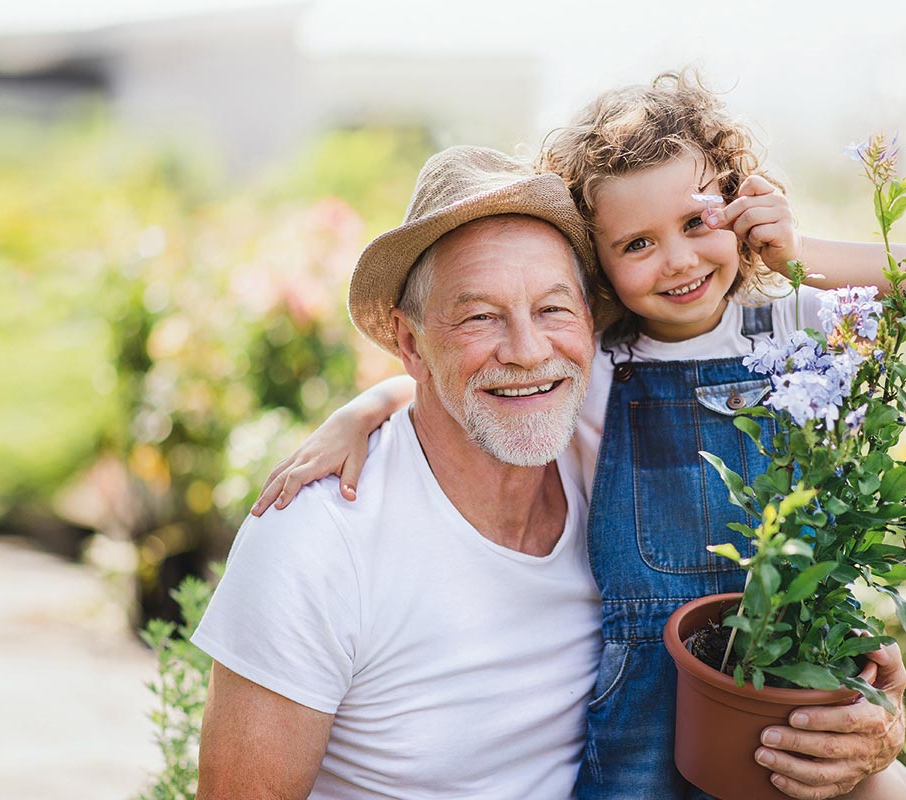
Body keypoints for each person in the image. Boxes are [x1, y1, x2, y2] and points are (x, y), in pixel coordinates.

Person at [256, 72, 906, 799]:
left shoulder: (796, 321)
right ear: (600, 264)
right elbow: (472, 379)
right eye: (637, 244)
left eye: (697, 224)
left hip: (781, 656)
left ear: (738, 204)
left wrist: (795, 255)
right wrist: (362, 410)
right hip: (645, 699)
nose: (680, 261)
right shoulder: (598, 357)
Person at [193, 146, 609, 799]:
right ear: (410, 342)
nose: (529, 351)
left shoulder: (605, 461)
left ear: (589, 322)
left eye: (553, 309)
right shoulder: (317, 539)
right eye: (480, 317)